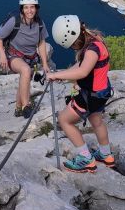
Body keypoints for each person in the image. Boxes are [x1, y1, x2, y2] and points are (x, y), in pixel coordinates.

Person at [47, 14, 114, 173]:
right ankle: (106, 155)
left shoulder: (90, 51)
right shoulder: (95, 40)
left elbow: (83, 71)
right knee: (96, 121)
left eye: (72, 46)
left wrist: (56, 75)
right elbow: (80, 65)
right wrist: (63, 75)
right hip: (102, 92)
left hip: (89, 96)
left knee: (64, 120)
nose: (73, 48)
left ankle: (86, 159)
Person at [0, 0, 51, 118]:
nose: (29, 10)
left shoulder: (40, 24)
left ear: (36, 8)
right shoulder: (15, 21)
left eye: (32, 7)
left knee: (24, 81)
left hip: (30, 58)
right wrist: (2, 55)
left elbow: (41, 43)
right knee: (25, 71)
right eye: (26, 7)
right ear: (22, 9)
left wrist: (45, 64)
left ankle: (18, 109)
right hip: (13, 56)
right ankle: (26, 106)